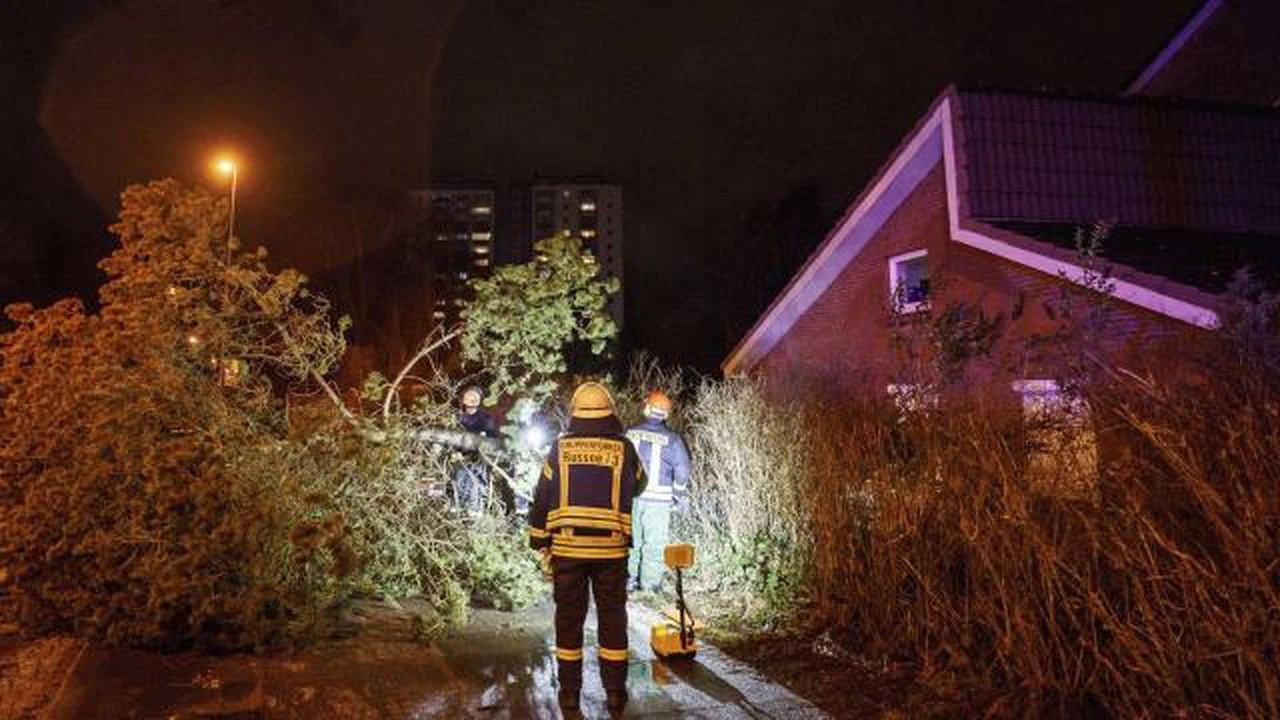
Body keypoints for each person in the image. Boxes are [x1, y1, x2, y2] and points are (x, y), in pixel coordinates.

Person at [528, 382, 646, 712]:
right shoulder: (624, 449)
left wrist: (540, 540)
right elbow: (639, 483)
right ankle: (614, 692)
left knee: (568, 620)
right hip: (610, 552)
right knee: (612, 619)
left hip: (568, 549)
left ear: (575, 413)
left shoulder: (560, 448)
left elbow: (543, 498)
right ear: (610, 412)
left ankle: (569, 692)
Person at [624, 390, 691, 593]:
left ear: (647, 408)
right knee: (654, 542)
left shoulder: (630, 433)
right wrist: (676, 495)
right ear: (666, 414)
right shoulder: (672, 439)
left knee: (632, 540)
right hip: (659, 500)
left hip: (632, 497)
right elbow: (683, 469)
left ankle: (629, 580)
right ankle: (650, 584)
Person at [453, 385, 498, 513]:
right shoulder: (456, 417)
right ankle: (458, 507)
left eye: (476, 396)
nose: (473, 398)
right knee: (459, 476)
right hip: (458, 456)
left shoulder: (486, 418)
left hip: (478, 456)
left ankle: (475, 508)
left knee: (475, 477)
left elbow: (490, 438)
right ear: (462, 399)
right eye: (469, 396)